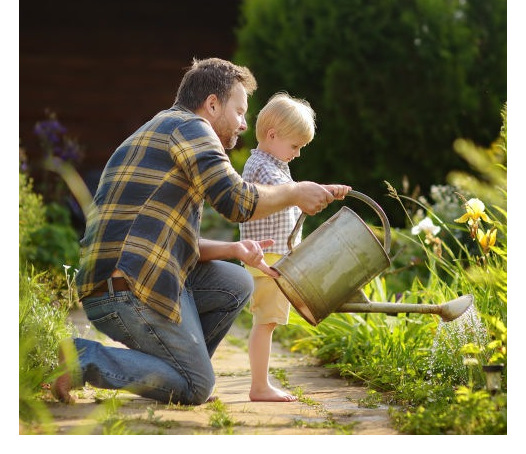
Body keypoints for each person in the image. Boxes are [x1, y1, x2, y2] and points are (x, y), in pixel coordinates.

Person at [52, 58, 350, 406]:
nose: (243, 124)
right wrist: (296, 192)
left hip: (129, 280)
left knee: (237, 281)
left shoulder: (163, 128)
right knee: (196, 387)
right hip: (125, 290)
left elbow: (171, 240)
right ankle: (83, 358)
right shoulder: (193, 128)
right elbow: (236, 201)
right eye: (239, 112)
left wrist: (234, 250)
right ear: (212, 104)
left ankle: (176, 372)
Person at [240, 92, 317, 402]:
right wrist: (304, 193)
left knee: (267, 321)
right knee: (266, 322)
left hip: (271, 257)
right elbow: (281, 191)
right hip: (268, 259)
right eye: (295, 146)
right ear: (272, 135)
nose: (297, 154)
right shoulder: (263, 168)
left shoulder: (268, 163)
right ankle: (259, 386)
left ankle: (260, 383)